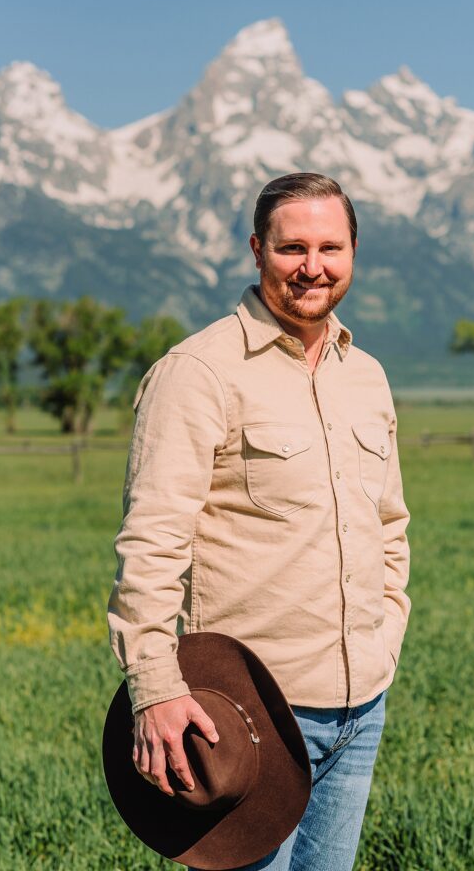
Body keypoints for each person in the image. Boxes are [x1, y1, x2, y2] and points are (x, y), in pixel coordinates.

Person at [107, 171, 411, 871]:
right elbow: (150, 547)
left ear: (354, 252)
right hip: (248, 716)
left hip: (361, 708)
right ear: (256, 251)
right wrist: (154, 691)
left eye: (330, 247)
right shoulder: (198, 372)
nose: (313, 267)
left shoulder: (367, 375)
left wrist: (386, 633)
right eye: (291, 247)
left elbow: (389, 524)